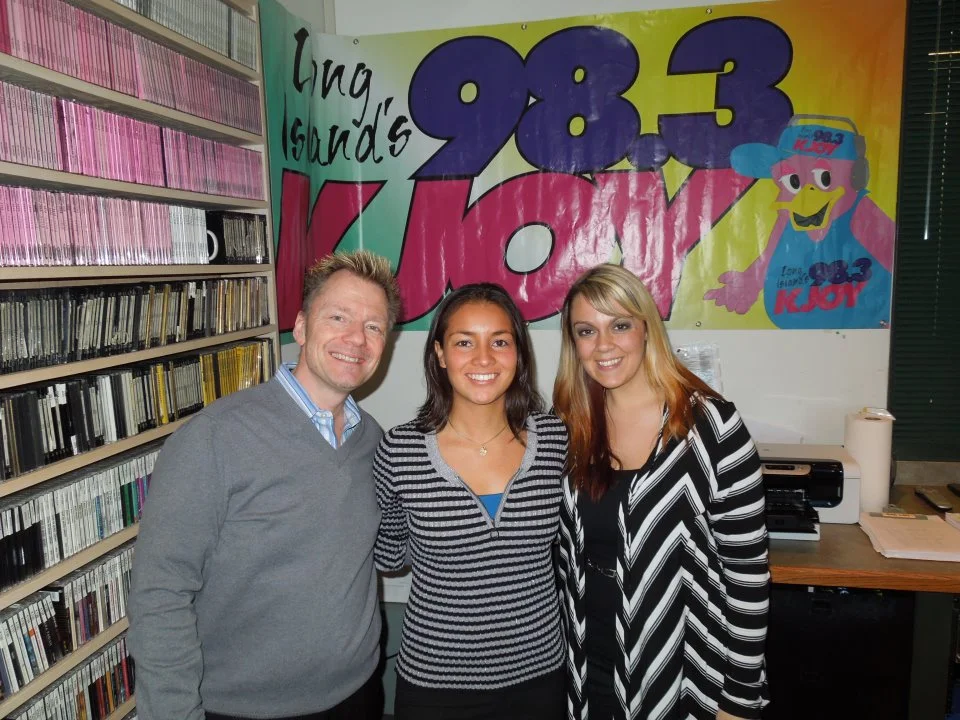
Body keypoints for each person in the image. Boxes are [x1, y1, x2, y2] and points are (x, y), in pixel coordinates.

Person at [128, 250, 401, 720]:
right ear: (300, 326)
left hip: (358, 694)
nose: (356, 338)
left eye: (374, 327)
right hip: (241, 710)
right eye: (338, 317)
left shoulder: (372, 439)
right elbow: (159, 593)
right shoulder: (215, 438)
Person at [552, 264, 770, 720]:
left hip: (687, 676)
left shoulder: (711, 426)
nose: (604, 345)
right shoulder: (568, 428)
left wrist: (740, 699)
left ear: (647, 329)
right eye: (587, 330)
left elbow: (747, 575)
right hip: (587, 671)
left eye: (621, 325)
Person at [374, 283, 567, 720]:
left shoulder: (555, 440)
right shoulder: (400, 451)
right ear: (440, 354)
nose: (484, 358)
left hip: (539, 676)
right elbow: (388, 555)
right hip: (436, 684)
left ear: (518, 352)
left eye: (499, 341)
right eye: (464, 342)